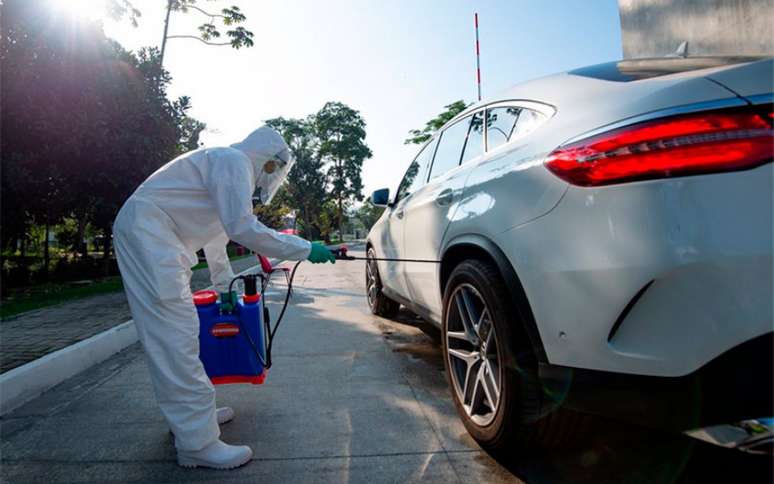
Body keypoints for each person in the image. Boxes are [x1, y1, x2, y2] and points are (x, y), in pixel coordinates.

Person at [113, 126, 335, 469]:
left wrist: (224, 286)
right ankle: (197, 445)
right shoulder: (232, 162)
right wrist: (304, 248)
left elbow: (217, 237)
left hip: (155, 235)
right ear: (270, 163)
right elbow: (241, 228)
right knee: (175, 335)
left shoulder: (227, 170)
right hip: (149, 234)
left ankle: (192, 422)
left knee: (182, 335)